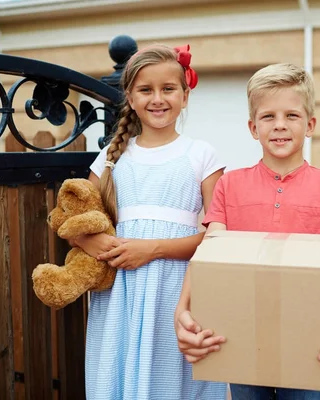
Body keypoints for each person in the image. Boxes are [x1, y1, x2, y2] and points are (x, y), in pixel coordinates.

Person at [174, 63, 320, 400]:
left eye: (292, 116)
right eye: (268, 117)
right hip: (240, 334)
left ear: (310, 125)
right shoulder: (230, 185)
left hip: (312, 340)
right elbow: (209, 252)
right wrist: (183, 312)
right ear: (253, 128)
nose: (280, 125)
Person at [70, 44, 228, 399]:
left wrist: (153, 249)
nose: (158, 99)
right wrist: (89, 242)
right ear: (130, 96)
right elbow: (75, 220)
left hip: (178, 287)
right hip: (120, 294)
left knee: (172, 374)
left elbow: (218, 235)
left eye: (168, 89)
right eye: (146, 90)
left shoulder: (201, 155)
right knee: (120, 369)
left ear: (185, 95)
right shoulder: (112, 158)